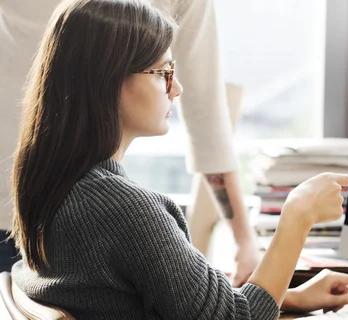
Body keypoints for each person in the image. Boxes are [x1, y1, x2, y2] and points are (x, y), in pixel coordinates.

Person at [9, 0, 348, 319]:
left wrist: (287, 297)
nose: (176, 87)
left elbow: (175, 299)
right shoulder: (122, 210)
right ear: (109, 79)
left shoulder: (54, 186)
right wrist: (298, 214)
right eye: (162, 73)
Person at [0, 0, 260, 284]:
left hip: (34, 200)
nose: (175, 88)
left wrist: (242, 240)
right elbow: (206, 116)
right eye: (162, 73)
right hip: (38, 211)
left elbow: (206, 117)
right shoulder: (132, 214)